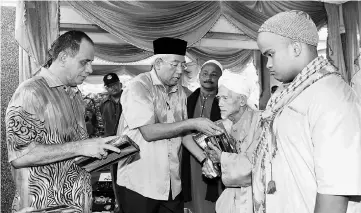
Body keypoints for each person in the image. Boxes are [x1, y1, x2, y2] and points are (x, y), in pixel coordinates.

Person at [253, 10, 361, 213]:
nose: (267, 64)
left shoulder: (332, 96)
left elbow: (335, 191)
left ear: (295, 48)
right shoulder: (287, 96)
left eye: (270, 54)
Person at [6, 30, 120, 213]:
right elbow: (20, 156)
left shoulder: (75, 95)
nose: (90, 70)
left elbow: (68, 149)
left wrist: (98, 150)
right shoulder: (31, 92)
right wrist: (81, 147)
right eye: (85, 62)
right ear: (63, 57)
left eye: (91, 63)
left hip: (75, 204)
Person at [115, 37, 223, 213]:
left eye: (183, 65)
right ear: (158, 63)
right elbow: (149, 132)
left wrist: (205, 159)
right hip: (141, 183)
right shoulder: (139, 87)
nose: (181, 70)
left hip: (172, 184)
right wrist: (193, 122)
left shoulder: (178, 91)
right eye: (175, 64)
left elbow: (182, 133)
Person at [202, 70, 261, 213]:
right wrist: (210, 166)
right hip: (231, 199)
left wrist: (222, 158)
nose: (220, 103)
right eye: (219, 99)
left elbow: (253, 167)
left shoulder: (261, 122)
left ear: (242, 100)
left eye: (225, 98)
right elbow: (215, 163)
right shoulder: (220, 127)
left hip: (256, 197)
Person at [182, 60, 223, 213]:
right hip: (191, 157)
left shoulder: (224, 100)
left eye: (214, 75)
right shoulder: (187, 101)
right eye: (205, 74)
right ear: (199, 76)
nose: (208, 78)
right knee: (194, 195)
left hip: (216, 157)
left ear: (220, 78)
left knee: (215, 198)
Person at [100, 72, 123, 212]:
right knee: (115, 175)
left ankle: (129, 202)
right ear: (106, 88)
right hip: (111, 145)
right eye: (109, 86)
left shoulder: (130, 99)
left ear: (120, 84)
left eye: (114, 84)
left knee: (129, 173)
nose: (112, 88)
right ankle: (119, 204)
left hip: (128, 144)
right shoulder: (104, 104)